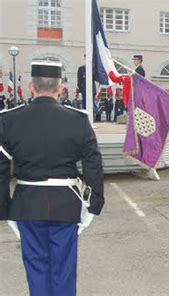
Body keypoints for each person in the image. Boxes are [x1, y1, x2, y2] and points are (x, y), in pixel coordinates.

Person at [0, 59, 104, 296]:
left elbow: (1, 168)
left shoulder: (8, 120)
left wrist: (3, 208)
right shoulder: (78, 119)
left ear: (31, 87)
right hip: (65, 203)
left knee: (36, 268)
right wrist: (95, 202)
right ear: (60, 88)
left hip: (27, 203)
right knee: (64, 269)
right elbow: (93, 163)